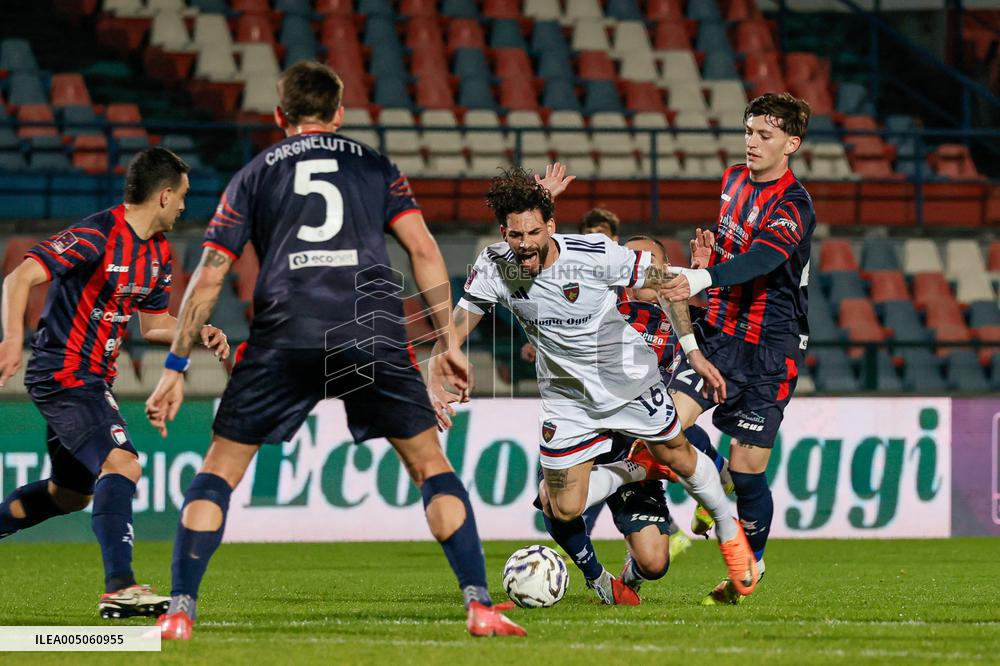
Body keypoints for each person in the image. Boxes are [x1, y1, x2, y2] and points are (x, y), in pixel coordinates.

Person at [145, 61, 524, 640]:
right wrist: (446, 340)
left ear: (281, 115)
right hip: (368, 333)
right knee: (430, 465)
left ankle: (179, 611)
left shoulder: (253, 174)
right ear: (339, 113)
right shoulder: (375, 166)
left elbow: (212, 271)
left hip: (284, 333)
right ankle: (479, 605)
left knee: (219, 469)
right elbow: (424, 250)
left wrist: (175, 365)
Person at [429, 167, 758, 606]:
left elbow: (664, 283)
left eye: (533, 232)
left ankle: (728, 529)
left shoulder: (595, 254)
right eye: (515, 234)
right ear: (503, 233)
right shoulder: (495, 265)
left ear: (551, 226)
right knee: (563, 506)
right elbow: (456, 326)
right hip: (566, 402)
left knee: (677, 453)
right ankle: (633, 476)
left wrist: (693, 352)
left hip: (628, 383)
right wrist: (439, 369)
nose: (524, 244)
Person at [0, 147, 230, 618]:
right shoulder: (97, 234)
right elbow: (18, 279)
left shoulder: (158, 253)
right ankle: (120, 587)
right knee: (122, 464)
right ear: (164, 195)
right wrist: (12, 340)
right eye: (182, 196)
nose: (184, 206)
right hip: (65, 372)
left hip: (91, 378)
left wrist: (197, 331)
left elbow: (153, 325)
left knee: (69, 495)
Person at [660, 92, 815, 604]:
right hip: (719, 335)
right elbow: (734, 253)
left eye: (765, 135)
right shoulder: (731, 180)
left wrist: (701, 276)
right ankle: (712, 483)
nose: (752, 142)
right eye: (749, 132)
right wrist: (706, 263)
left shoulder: (794, 204)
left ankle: (752, 564)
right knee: (663, 425)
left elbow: (764, 259)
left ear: (791, 144)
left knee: (748, 471)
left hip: (770, 347)